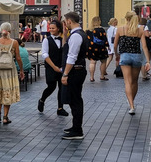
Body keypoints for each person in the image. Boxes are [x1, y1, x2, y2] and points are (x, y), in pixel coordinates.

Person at [114, 11, 151, 115]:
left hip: (125, 55)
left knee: (127, 82)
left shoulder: (120, 29)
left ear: (126, 18)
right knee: (134, 82)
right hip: (137, 56)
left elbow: (115, 44)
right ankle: (131, 100)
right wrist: (147, 61)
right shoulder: (140, 30)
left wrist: (116, 55)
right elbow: (144, 47)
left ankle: (131, 105)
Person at [0, 22, 24, 124]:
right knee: (7, 90)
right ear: (10, 31)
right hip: (9, 69)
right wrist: (21, 70)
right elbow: (18, 58)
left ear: (0, 30)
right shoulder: (14, 42)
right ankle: (5, 116)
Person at [60, 12, 88, 140]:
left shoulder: (76, 36)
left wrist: (65, 74)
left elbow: (72, 56)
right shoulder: (78, 34)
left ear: (69, 21)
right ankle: (75, 126)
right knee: (73, 99)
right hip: (78, 70)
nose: (65, 24)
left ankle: (77, 130)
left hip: (75, 71)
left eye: (65, 22)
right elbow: (67, 48)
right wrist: (65, 35)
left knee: (75, 100)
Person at [38, 20, 68, 116]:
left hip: (61, 67)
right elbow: (45, 55)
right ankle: (42, 100)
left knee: (61, 87)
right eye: (50, 28)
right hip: (51, 67)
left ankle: (60, 108)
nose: (50, 29)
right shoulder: (47, 40)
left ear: (58, 28)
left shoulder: (62, 39)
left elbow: (64, 49)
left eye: (53, 28)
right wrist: (54, 67)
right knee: (51, 86)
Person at [86, 17, 110, 82]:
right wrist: (108, 46)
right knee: (103, 62)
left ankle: (91, 77)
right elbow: (105, 39)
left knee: (92, 62)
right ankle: (102, 76)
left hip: (91, 48)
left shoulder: (88, 30)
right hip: (101, 48)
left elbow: (86, 40)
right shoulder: (101, 30)